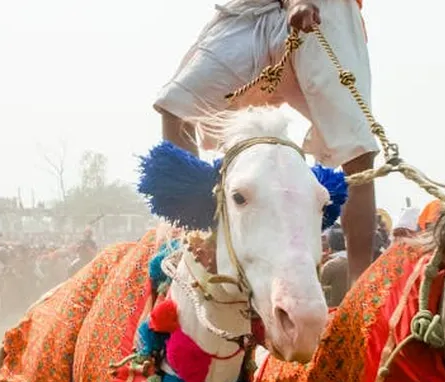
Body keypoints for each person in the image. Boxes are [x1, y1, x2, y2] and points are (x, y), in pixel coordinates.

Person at [155, 0, 379, 285]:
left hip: (323, 8)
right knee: (176, 106)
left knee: (357, 151)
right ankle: (195, 242)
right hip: (252, 9)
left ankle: (359, 285)